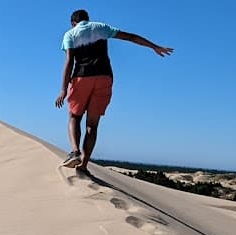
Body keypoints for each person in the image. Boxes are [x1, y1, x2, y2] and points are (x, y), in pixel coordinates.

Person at [55, 9, 173, 171]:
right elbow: (130, 37)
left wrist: (63, 89)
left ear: (73, 23)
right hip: (104, 77)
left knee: (74, 116)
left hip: (81, 77)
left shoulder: (70, 34)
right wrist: (154, 46)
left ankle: (75, 152)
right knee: (92, 125)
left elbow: (69, 61)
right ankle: (84, 165)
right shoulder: (101, 27)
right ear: (88, 20)